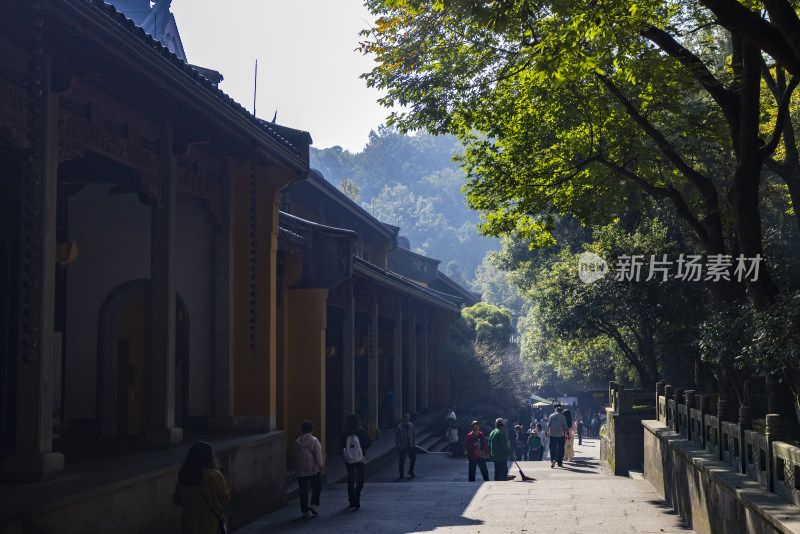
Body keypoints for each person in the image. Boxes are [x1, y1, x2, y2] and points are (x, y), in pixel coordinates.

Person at [173, 441, 230, 534]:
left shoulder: (184, 475)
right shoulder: (214, 475)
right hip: (210, 523)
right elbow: (225, 499)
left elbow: (177, 499)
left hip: (189, 523)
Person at [339, 413, 371, 509]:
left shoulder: (345, 433)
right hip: (361, 457)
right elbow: (368, 443)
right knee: (360, 477)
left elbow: (341, 446)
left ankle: (351, 497)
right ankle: (357, 495)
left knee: (351, 478)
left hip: (348, 459)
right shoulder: (361, 432)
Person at [294, 420, 323, 518]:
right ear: (311, 430)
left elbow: (294, 456)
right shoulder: (314, 440)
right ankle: (313, 504)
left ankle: (304, 511)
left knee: (303, 490)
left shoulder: (297, 441)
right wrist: (320, 466)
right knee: (317, 486)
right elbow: (318, 456)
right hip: (312, 468)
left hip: (300, 469)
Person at [396, 412, 417, 479]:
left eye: (408, 417)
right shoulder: (399, 427)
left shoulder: (411, 425)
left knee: (413, 458)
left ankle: (411, 470)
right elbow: (397, 438)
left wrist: (414, 444)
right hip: (403, 446)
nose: (408, 419)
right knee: (402, 460)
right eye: (406, 417)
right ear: (403, 418)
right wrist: (399, 446)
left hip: (410, 445)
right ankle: (401, 473)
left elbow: (413, 435)